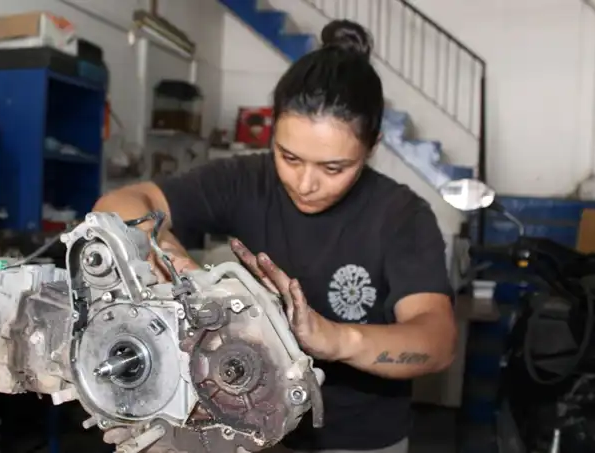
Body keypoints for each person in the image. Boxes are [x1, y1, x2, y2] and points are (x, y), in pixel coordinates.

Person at [93, 19, 457, 453]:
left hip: (357, 438)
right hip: (244, 425)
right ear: (272, 131)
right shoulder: (245, 180)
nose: (305, 183)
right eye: (289, 157)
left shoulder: (401, 215)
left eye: (333, 168)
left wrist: (335, 338)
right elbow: (120, 201)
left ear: (372, 145)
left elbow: (437, 341)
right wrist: (159, 247)